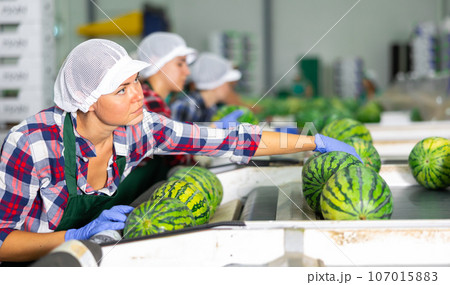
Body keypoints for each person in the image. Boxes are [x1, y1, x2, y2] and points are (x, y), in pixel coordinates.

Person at [0, 39, 360, 262]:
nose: (139, 94)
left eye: (136, 82)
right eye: (122, 90)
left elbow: (230, 139)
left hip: (91, 260)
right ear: (87, 101)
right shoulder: (31, 144)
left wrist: (311, 141)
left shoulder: (140, 129)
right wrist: (74, 236)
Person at [170, 52, 245, 124]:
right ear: (215, 84)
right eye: (227, 84)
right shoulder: (185, 106)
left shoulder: (211, 108)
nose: (229, 89)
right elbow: (171, 135)